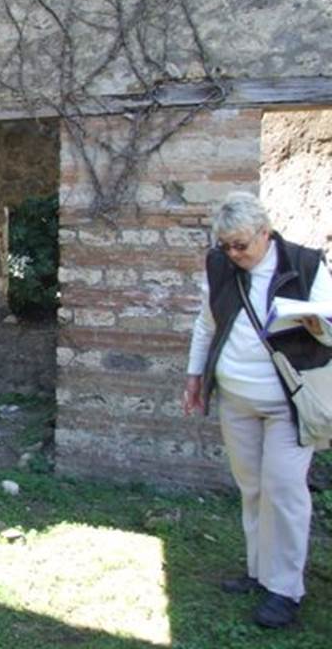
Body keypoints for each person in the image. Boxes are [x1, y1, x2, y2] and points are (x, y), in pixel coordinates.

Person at [183, 191, 332, 628]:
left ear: (265, 233)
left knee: (284, 490)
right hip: (238, 398)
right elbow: (206, 323)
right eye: (226, 246)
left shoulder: (306, 265)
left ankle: (285, 590)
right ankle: (259, 572)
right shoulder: (221, 265)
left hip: (288, 400)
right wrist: (195, 377)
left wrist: (318, 325)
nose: (234, 254)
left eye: (241, 245)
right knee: (252, 488)